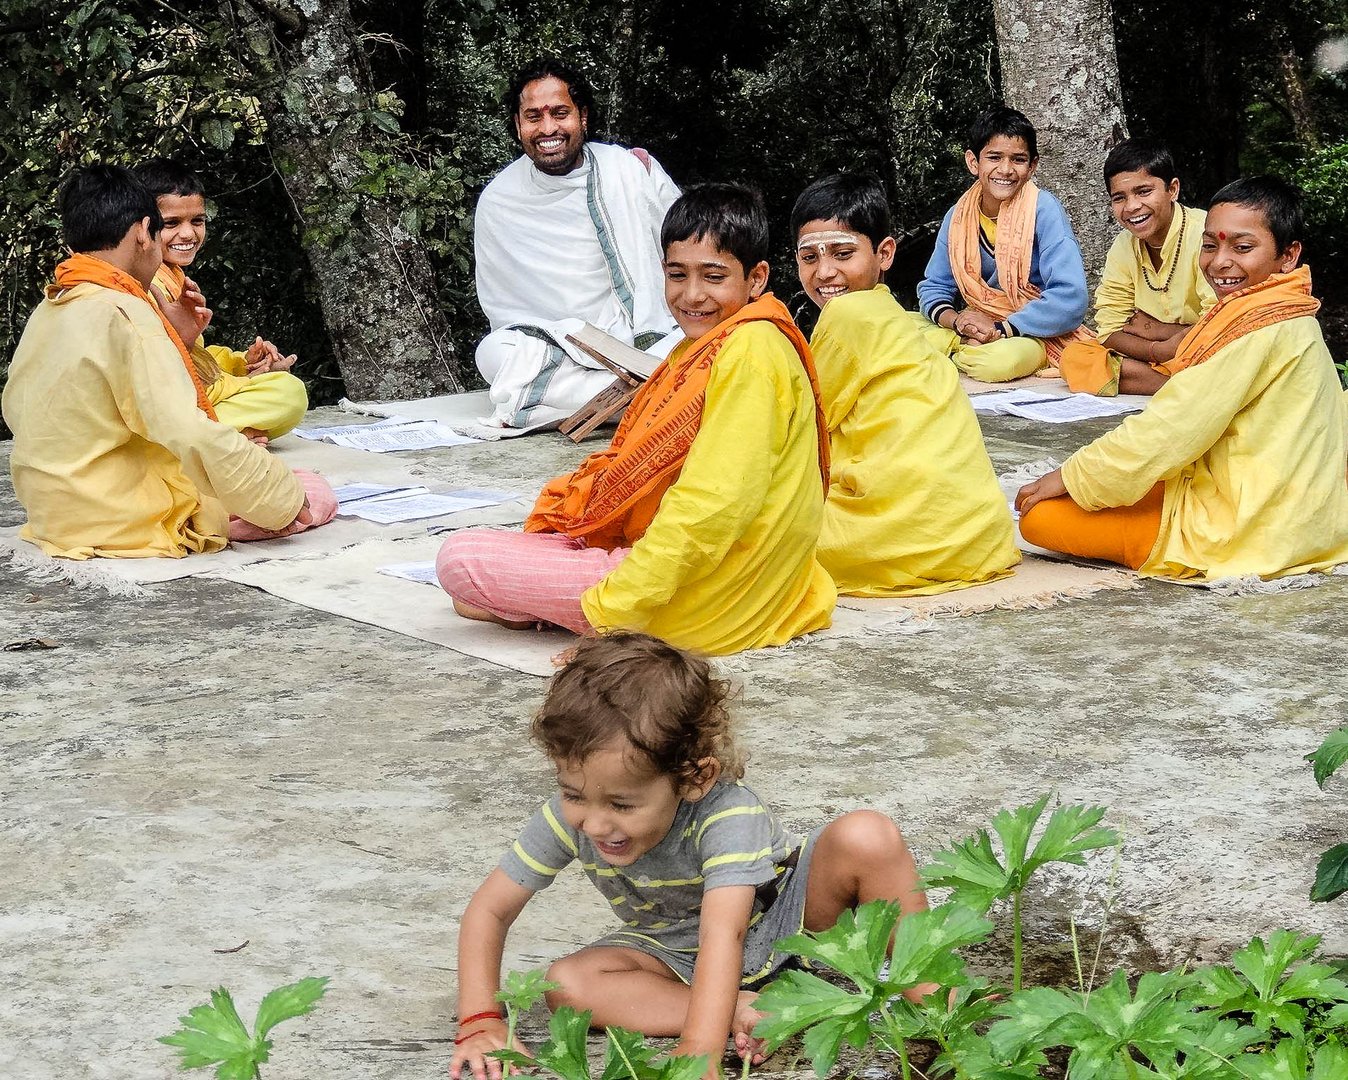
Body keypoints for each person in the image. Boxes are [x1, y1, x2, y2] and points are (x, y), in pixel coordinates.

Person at [449, 633, 929, 1080]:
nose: (594, 823)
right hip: (672, 949)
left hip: (781, 919)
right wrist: (479, 1019)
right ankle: (741, 1006)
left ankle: (937, 997)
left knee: (867, 836)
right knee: (566, 986)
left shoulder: (727, 813)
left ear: (694, 778)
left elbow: (727, 929)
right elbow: (489, 910)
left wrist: (699, 1050)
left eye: (621, 804)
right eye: (574, 794)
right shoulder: (566, 817)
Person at [437, 183, 836, 654]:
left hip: (712, 597)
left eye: (713, 276)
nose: (692, 295)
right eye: (676, 274)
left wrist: (611, 610)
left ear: (756, 278)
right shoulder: (715, 343)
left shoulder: (750, 351)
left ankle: (556, 607)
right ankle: (542, 601)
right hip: (736, 576)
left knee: (460, 560)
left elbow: (712, 506)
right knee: (491, 569)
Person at [1015, 176, 1348, 580]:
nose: (1220, 262)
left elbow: (1171, 429)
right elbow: (1111, 319)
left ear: (1288, 255)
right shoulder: (1281, 308)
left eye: (1242, 248)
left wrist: (1073, 475)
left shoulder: (1256, 323)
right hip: (1303, 510)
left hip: (1255, 522)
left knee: (1041, 520)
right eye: (1209, 246)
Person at [2, 164, 335, 559]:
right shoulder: (125, 311)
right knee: (309, 490)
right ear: (144, 232)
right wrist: (281, 501)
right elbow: (188, 430)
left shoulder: (53, 303)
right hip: (119, 518)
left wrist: (182, 340)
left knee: (246, 471)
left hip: (53, 512)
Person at [791, 174, 1019, 595]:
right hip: (975, 537)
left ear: (885, 253)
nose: (825, 272)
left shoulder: (847, 315)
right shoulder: (894, 315)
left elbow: (804, 424)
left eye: (843, 253)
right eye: (809, 258)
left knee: (759, 538)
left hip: (908, 541)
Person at [473, 57, 681, 429]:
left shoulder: (630, 169)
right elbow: (506, 312)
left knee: (702, 338)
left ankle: (630, 393)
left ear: (582, 116)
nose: (548, 127)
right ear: (518, 124)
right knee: (493, 355)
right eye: (534, 116)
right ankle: (652, 394)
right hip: (562, 349)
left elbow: (691, 246)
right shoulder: (499, 199)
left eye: (560, 113)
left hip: (645, 339)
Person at [133, 157, 309, 442]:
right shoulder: (148, 283)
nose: (188, 233)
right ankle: (217, 437)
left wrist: (243, 363)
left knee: (281, 387)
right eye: (172, 223)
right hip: (170, 410)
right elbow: (172, 373)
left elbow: (195, 353)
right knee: (289, 394)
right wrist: (244, 383)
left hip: (194, 400)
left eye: (197, 221)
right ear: (141, 226)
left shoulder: (172, 274)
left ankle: (220, 436)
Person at [916, 106, 1091, 382]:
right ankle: (968, 345)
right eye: (994, 157)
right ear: (974, 162)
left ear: (1032, 166)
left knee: (997, 363)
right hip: (973, 323)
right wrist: (958, 321)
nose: (1006, 170)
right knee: (903, 326)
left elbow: (1071, 298)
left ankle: (962, 352)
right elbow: (935, 286)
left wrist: (1001, 328)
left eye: (1018, 159)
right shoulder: (958, 216)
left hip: (1029, 331)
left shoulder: (1043, 210)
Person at [1058, 139, 1216, 396]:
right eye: (1119, 198)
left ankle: (1183, 386)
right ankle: (1180, 389)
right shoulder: (1124, 245)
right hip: (1157, 357)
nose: (1131, 207)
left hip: (1204, 352)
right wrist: (1159, 349)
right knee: (1075, 357)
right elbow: (1109, 330)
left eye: (1144, 192)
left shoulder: (1204, 235)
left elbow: (1220, 325)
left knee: (1219, 355)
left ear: (1172, 189)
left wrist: (1154, 330)